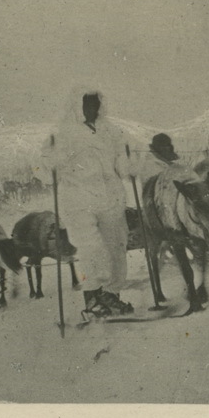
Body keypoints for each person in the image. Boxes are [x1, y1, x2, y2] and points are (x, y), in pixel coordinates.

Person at [47, 84, 134, 317]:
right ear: (77, 105)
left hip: (110, 195)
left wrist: (128, 160)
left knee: (116, 246)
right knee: (92, 248)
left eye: (96, 103)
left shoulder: (111, 131)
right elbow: (47, 167)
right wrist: (51, 159)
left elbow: (123, 165)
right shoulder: (64, 134)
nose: (92, 108)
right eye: (87, 103)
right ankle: (93, 298)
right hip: (78, 197)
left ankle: (112, 295)